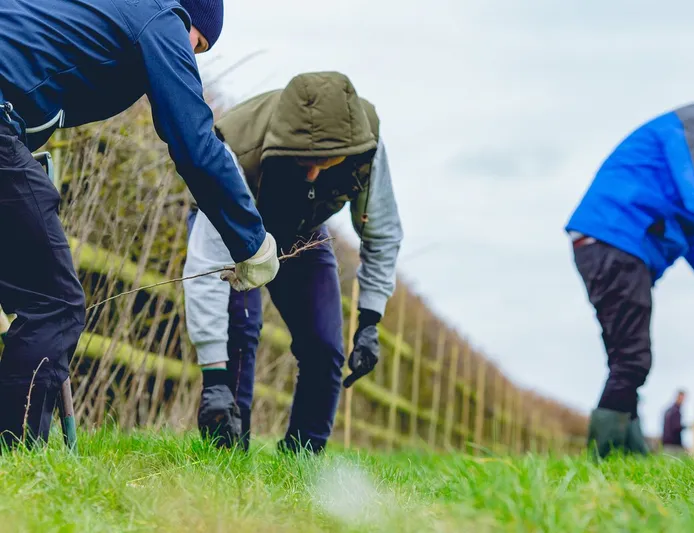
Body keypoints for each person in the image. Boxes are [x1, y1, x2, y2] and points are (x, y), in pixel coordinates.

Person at [0, 0, 279, 451]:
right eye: (199, 43)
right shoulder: (160, 17)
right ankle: (14, 458)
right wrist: (252, 243)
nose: (193, 53)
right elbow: (195, 144)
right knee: (53, 303)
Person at [182, 71, 403, 454]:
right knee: (240, 332)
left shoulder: (366, 141)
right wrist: (213, 376)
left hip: (303, 233)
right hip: (237, 228)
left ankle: (302, 461)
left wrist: (370, 319)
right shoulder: (235, 149)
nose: (314, 173)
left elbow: (381, 231)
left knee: (324, 346)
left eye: (325, 161)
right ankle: (227, 458)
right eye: (303, 161)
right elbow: (205, 267)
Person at [565, 91, 694, 459]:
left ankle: (629, 457)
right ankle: (601, 460)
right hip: (615, 239)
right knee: (631, 360)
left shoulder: (692, 160)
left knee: (628, 359)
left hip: (616, 245)